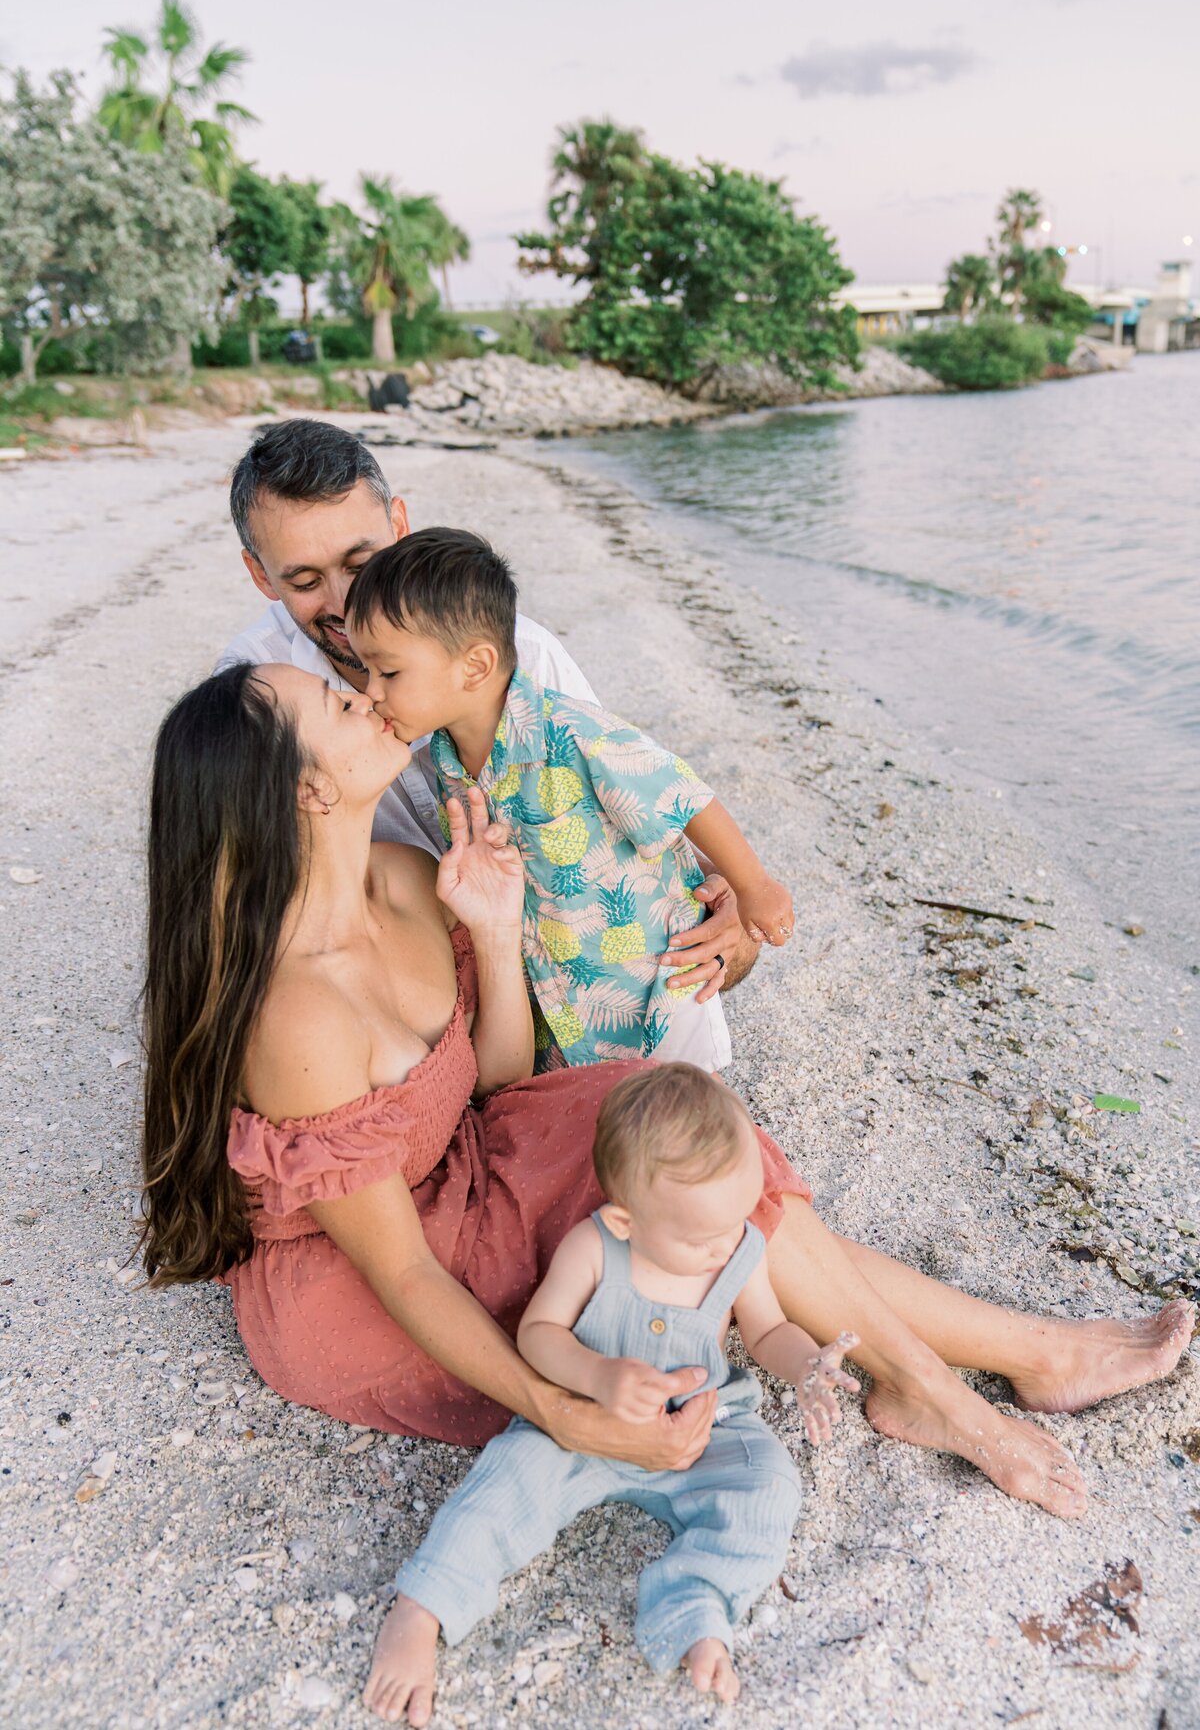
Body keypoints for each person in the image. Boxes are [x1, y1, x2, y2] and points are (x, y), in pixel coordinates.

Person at [140, 663, 1193, 1724]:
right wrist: (568, 1413)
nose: (365, 696)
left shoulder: (407, 873)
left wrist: (496, 929)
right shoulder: (297, 1014)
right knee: (690, 1204)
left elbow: (500, 1084)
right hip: (371, 1292)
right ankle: (976, 1382)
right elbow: (403, 1271)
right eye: (336, 706)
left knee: (684, 1140)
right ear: (307, 791)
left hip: (462, 1173)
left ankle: (978, 1369)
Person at [215, 417, 755, 1010]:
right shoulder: (256, 692)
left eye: (359, 561)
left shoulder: (521, 655)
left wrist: (726, 904)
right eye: (307, 580)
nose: (344, 602)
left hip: (582, 981)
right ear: (260, 574)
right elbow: (251, 903)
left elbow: (626, 804)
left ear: (398, 525)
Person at [371, 1065, 859, 1720]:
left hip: (703, 1426)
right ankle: (424, 1608)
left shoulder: (735, 1246)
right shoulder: (597, 1248)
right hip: (583, 1428)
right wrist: (598, 1376)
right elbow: (541, 1334)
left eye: (737, 1220)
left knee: (770, 1486)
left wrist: (805, 1366)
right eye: (700, 1237)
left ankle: (695, 1604)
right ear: (627, 1221)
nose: (725, 1247)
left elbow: (768, 1328)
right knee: (507, 1479)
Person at [345, 529, 793, 1071]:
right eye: (367, 671)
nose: (370, 690)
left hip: (657, 976)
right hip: (561, 992)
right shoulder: (442, 760)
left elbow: (683, 794)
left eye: (388, 672)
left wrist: (754, 887)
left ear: (476, 666)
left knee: (676, 1110)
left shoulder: (574, 732)